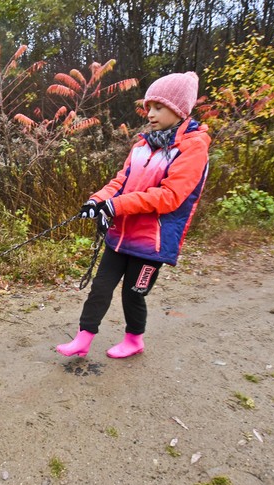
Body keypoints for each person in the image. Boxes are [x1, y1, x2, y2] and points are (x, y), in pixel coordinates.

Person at [57, 71, 210, 359]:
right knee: (100, 287)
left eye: (158, 107)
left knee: (133, 293)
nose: (149, 113)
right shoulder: (142, 145)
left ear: (178, 109)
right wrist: (98, 200)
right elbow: (120, 182)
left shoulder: (193, 148)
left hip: (152, 243)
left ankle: (134, 339)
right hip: (121, 234)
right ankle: (83, 338)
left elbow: (170, 197)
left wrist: (117, 206)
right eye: (148, 106)